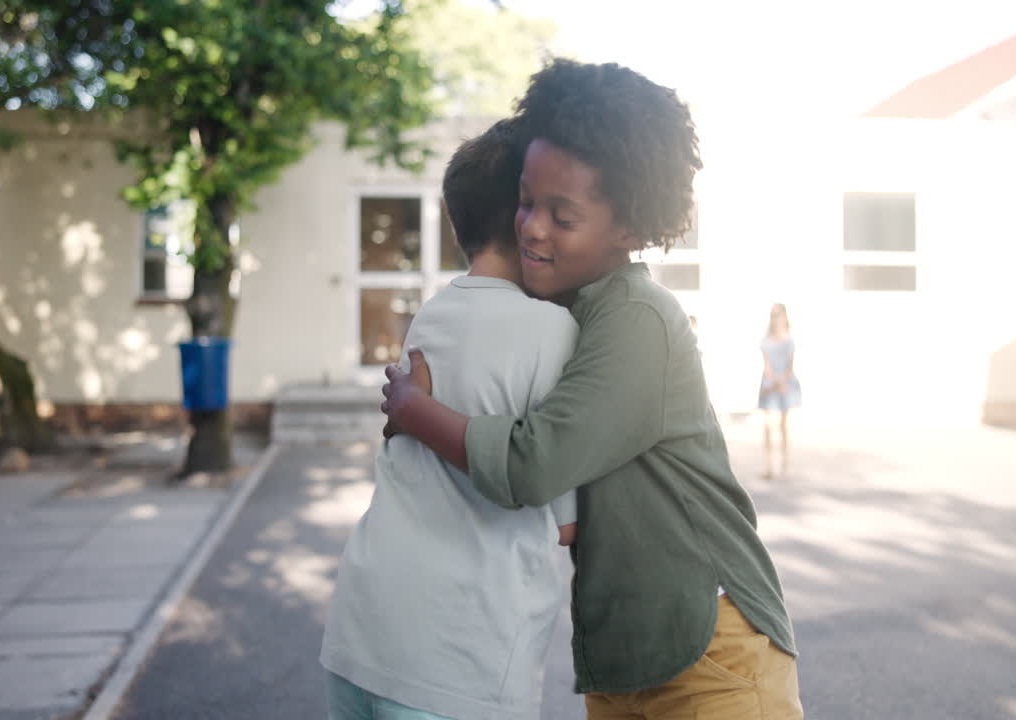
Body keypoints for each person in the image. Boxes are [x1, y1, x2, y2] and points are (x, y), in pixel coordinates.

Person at [381, 59, 802, 719]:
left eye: (562, 214)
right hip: (624, 656)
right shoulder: (558, 313)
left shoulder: (636, 316)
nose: (532, 227)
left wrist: (414, 409)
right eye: (525, 201)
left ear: (629, 228)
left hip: (713, 651)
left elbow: (534, 463)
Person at [321, 119, 580, 720]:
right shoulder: (554, 332)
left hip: (360, 634)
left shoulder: (432, 316)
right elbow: (563, 523)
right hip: (461, 665)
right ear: (526, 213)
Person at [759, 303, 802, 479]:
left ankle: (785, 464)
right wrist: (774, 381)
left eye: (779, 315)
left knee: (783, 426)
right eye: (774, 315)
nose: (776, 318)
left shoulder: (789, 340)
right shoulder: (766, 339)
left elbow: (790, 366)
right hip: (770, 385)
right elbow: (766, 365)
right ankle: (769, 465)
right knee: (768, 426)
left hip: (785, 384)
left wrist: (782, 381)